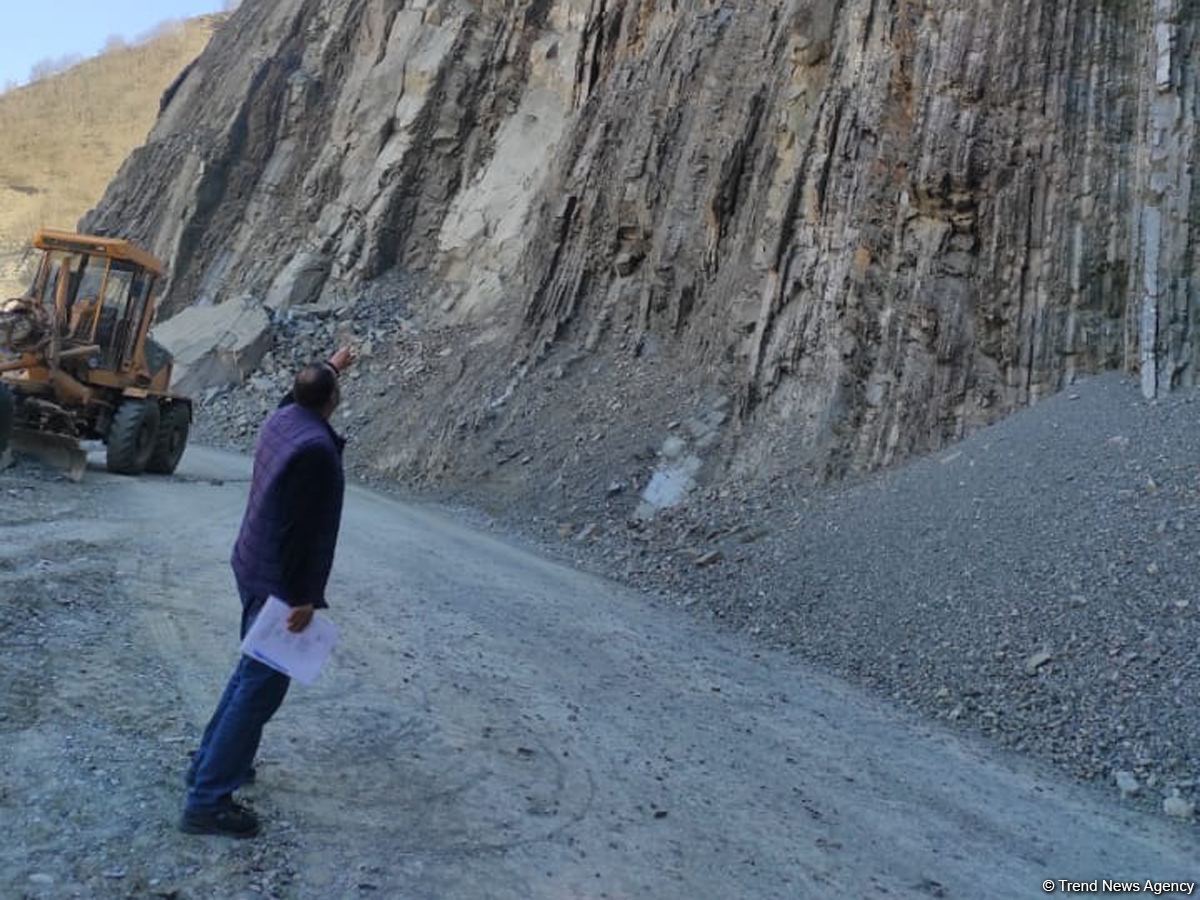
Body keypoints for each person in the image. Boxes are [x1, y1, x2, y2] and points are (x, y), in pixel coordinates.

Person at [180, 347, 354, 838]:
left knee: (248, 675)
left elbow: (295, 396)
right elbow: (297, 532)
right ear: (333, 400)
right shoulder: (316, 451)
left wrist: (331, 367)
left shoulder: (283, 421)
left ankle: (206, 766)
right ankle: (207, 800)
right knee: (259, 690)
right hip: (278, 582)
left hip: (251, 564)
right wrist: (302, 598)